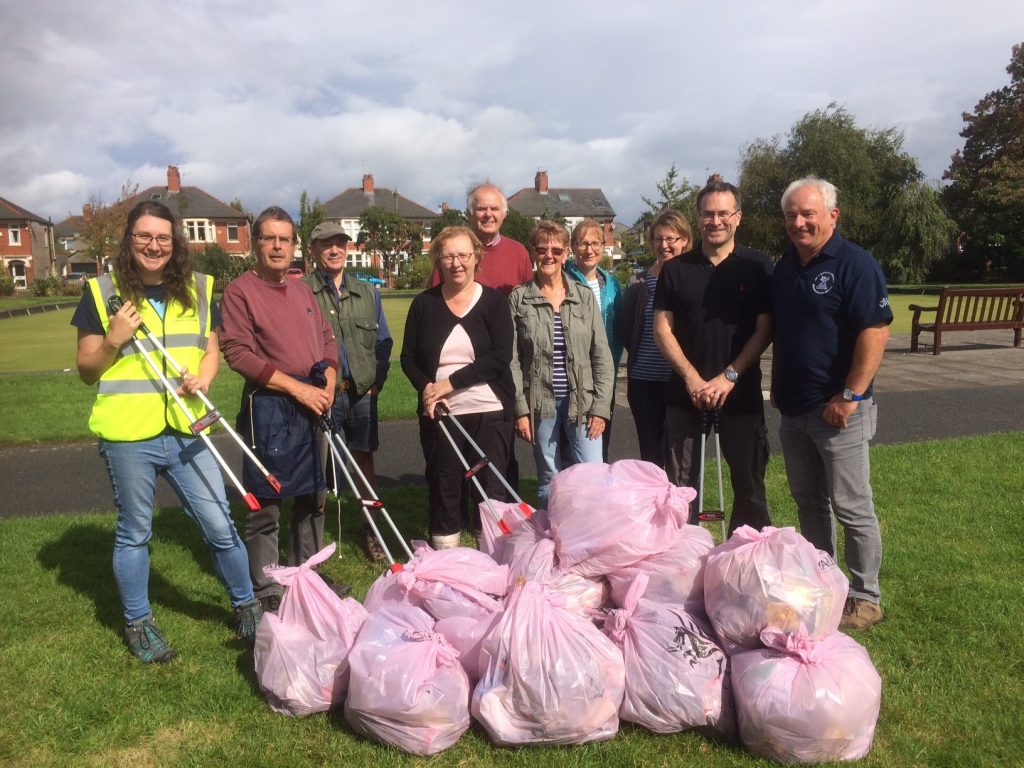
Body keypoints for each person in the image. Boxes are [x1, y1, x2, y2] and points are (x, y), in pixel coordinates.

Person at [72, 200, 261, 663]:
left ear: (174, 243)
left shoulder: (197, 288)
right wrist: (114, 339)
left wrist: (206, 377)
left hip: (187, 427)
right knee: (135, 531)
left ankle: (247, 605)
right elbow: (86, 370)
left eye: (162, 237)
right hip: (128, 435)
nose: (153, 245)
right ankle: (138, 622)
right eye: (143, 236)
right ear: (129, 240)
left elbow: (210, 351)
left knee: (219, 522)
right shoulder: (101, 293)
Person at [771, 177, 892, 630]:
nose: (799, 222)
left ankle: (865, 594)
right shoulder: (786, 267)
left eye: (808, 214)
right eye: (791, 215)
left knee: (852, 506)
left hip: (839, 412)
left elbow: (875, 331)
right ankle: (825, 582)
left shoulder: (855, 264)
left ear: (832, 216)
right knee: (809, 503)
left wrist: (850, 395)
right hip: (795, 411)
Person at [219, 206, 347, 612]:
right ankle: (267, 585)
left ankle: (306, 573)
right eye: (269, 238)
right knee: (266, 502)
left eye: (284, 239)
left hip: (313, 402)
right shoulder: (241, 291)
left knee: (313, 495)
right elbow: (237, 353)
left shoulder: (303, 290)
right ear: (256, 244)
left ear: (295, 246)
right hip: (271, 408)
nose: (277, 246)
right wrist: (297, 389)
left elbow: (327, 339)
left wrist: (327, 376)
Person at [653, 177, 773, 534]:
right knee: (680, 489)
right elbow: (662, 329)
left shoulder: (758, 266)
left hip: (740, 396)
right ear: (699, 217)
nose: (715, 221)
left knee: (749, 487)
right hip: (684, 397)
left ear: (738, 217)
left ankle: (744, 563)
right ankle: (682, 562)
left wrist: (729, 377)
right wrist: (692, 378)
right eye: (708, 214)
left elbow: (765, 329)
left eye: (723, 213)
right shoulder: (676, 270)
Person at [401, 226, 515, 548]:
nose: (456, 263)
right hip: (441, 413)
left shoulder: (493, 302)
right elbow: (408, 358)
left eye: (463, 255)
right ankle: (446, 569)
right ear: (438, 259)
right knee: (444, 486)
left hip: (489, 409)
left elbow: (500, 356)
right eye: (448, 256)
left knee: (489, 490)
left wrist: (449, 383)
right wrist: (428, 388)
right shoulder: (423, 304)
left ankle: (493, 562)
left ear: (476, 257)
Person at [302, 221, 393, 562]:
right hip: (321, 395)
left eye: (340, 242)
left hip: (361, 395)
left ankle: (371, 531)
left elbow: (383, 343)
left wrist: (376, 384)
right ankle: (316, 543)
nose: (335, 249)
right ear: (313, 249)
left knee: (364, 462)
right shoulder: (301, 292)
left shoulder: (368, 292)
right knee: (319, 465)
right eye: (326, 243)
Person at [509, 220, 613, 509]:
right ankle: (554, 538)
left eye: (556, 249)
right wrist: (520, 410)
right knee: (549, 477)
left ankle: (591, 537)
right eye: (542, 249)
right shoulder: (519, 299)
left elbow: (601, 355)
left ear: (566, 253)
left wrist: (601, 409)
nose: (549, 255)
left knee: (592, 474)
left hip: (582, 400)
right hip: (540, 402)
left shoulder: (582, 297)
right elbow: (512, 360)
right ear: (533, 252)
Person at [620, 209, 692, 468]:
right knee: (650, 454)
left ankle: (681, 506)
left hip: (681, 380)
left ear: (684, 239)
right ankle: (653, 506)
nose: (664, 245)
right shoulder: (638, 282)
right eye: (658, 239)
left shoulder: (693, 279)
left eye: (671, 239)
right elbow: (628, 330)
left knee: (681, 454)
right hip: (644, 382)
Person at [566, 218, 623, 461]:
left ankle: (598, 493)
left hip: (603, 373)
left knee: (600, 436)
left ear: (603, 245)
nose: (589, 250)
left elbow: (618, 329)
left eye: (595, 243)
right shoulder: (564, 281)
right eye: (582, 243)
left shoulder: (611, 284)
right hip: (575, 374)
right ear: (572, 247)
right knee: (572, 444)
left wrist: (612, 364)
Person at [430, 182, 534, 295]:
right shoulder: (450, 253)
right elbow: (435, 302)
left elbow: (528, 301)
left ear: (504, 214)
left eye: (494, 208)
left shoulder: (519, 253)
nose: (488, 214)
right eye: (481, 209)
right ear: (469, 214)